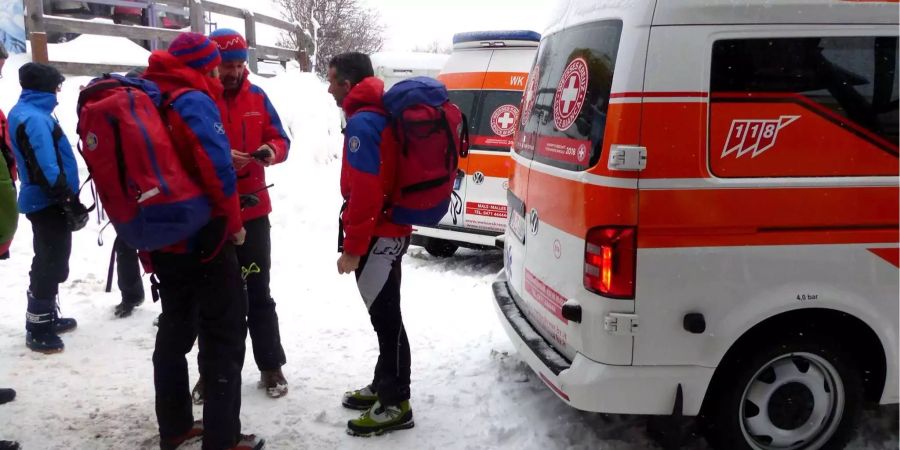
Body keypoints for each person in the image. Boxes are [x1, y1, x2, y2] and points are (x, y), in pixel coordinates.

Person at [141, 32, 263, 450]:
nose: (218, 74)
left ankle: (174, 428)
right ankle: (223, 439)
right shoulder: (192, 99)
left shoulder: (150, 96)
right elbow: (216, 172)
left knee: (174, 330)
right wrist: (234, 225)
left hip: (165, 237)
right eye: (214, 67)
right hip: (204, 237)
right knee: (225, 333)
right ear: (201, 67)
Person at [188, 28, 291, 402]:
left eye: (237, 64)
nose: (232, 72)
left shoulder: (257, 96)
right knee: (211, 297)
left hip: (252, 209)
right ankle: (210, 373)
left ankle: (270, 366)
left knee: (258, 291)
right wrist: (217, 157)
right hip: (210, 212)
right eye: (225, 65)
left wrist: (269, 149)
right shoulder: (198, 98)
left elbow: (282, 139)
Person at [328, 52, 415, 436]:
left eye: (332, 80)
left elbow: (366, 192)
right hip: (386, 231)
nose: (328, 87)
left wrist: (353, 248)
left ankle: (396, 403)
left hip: (381, 235)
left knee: (387, 319)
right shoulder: (376, 116)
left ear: (348, 84)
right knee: (384, 315)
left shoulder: (364, 122)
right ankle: (385, 383)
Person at [8, 62, 85, 354]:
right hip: (47, 201)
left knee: (51, 259)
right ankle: (38, 327)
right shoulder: (35, 117)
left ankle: (46, 315)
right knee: (50, 261)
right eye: (56, 85)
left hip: (45, 199)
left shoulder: (32, 112)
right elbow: (45, 163)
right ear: (44, 87)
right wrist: (65, 196)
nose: (58, 91)